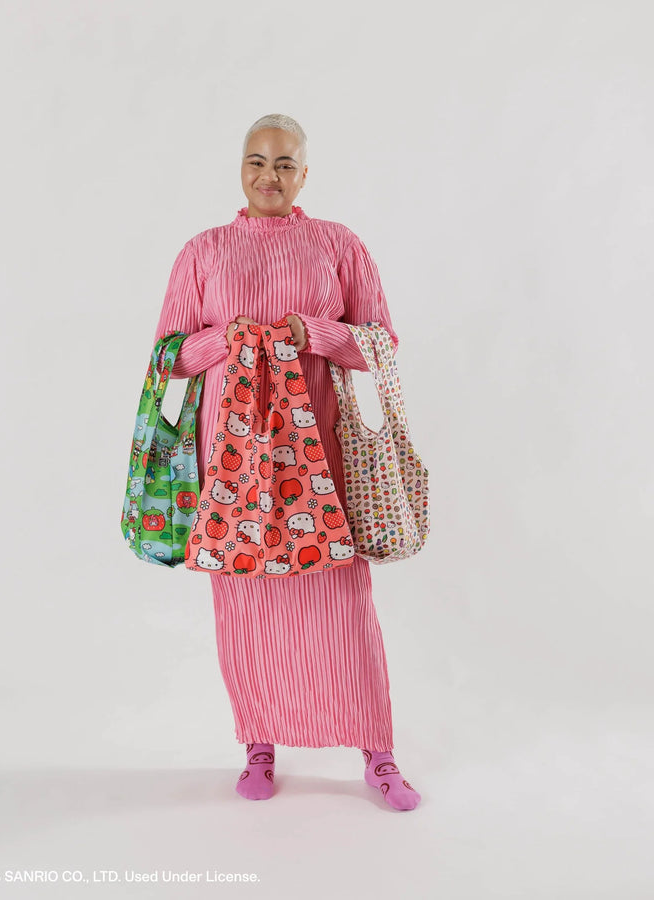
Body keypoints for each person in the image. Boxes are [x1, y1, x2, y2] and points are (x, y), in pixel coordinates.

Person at [153, 113, 420, 811]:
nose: (268, 175)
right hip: (233, 465)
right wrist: (225, 342)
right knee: (245, 602)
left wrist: (315, 333)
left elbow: (379, 342)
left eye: (284, 163)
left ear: (305, 173)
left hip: (318, 460)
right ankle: (259, 744)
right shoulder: (202, 251)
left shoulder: (338, 245)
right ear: (239, 169)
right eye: (256, 161)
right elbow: (169, 357)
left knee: (341, 602)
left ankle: (379, 754)